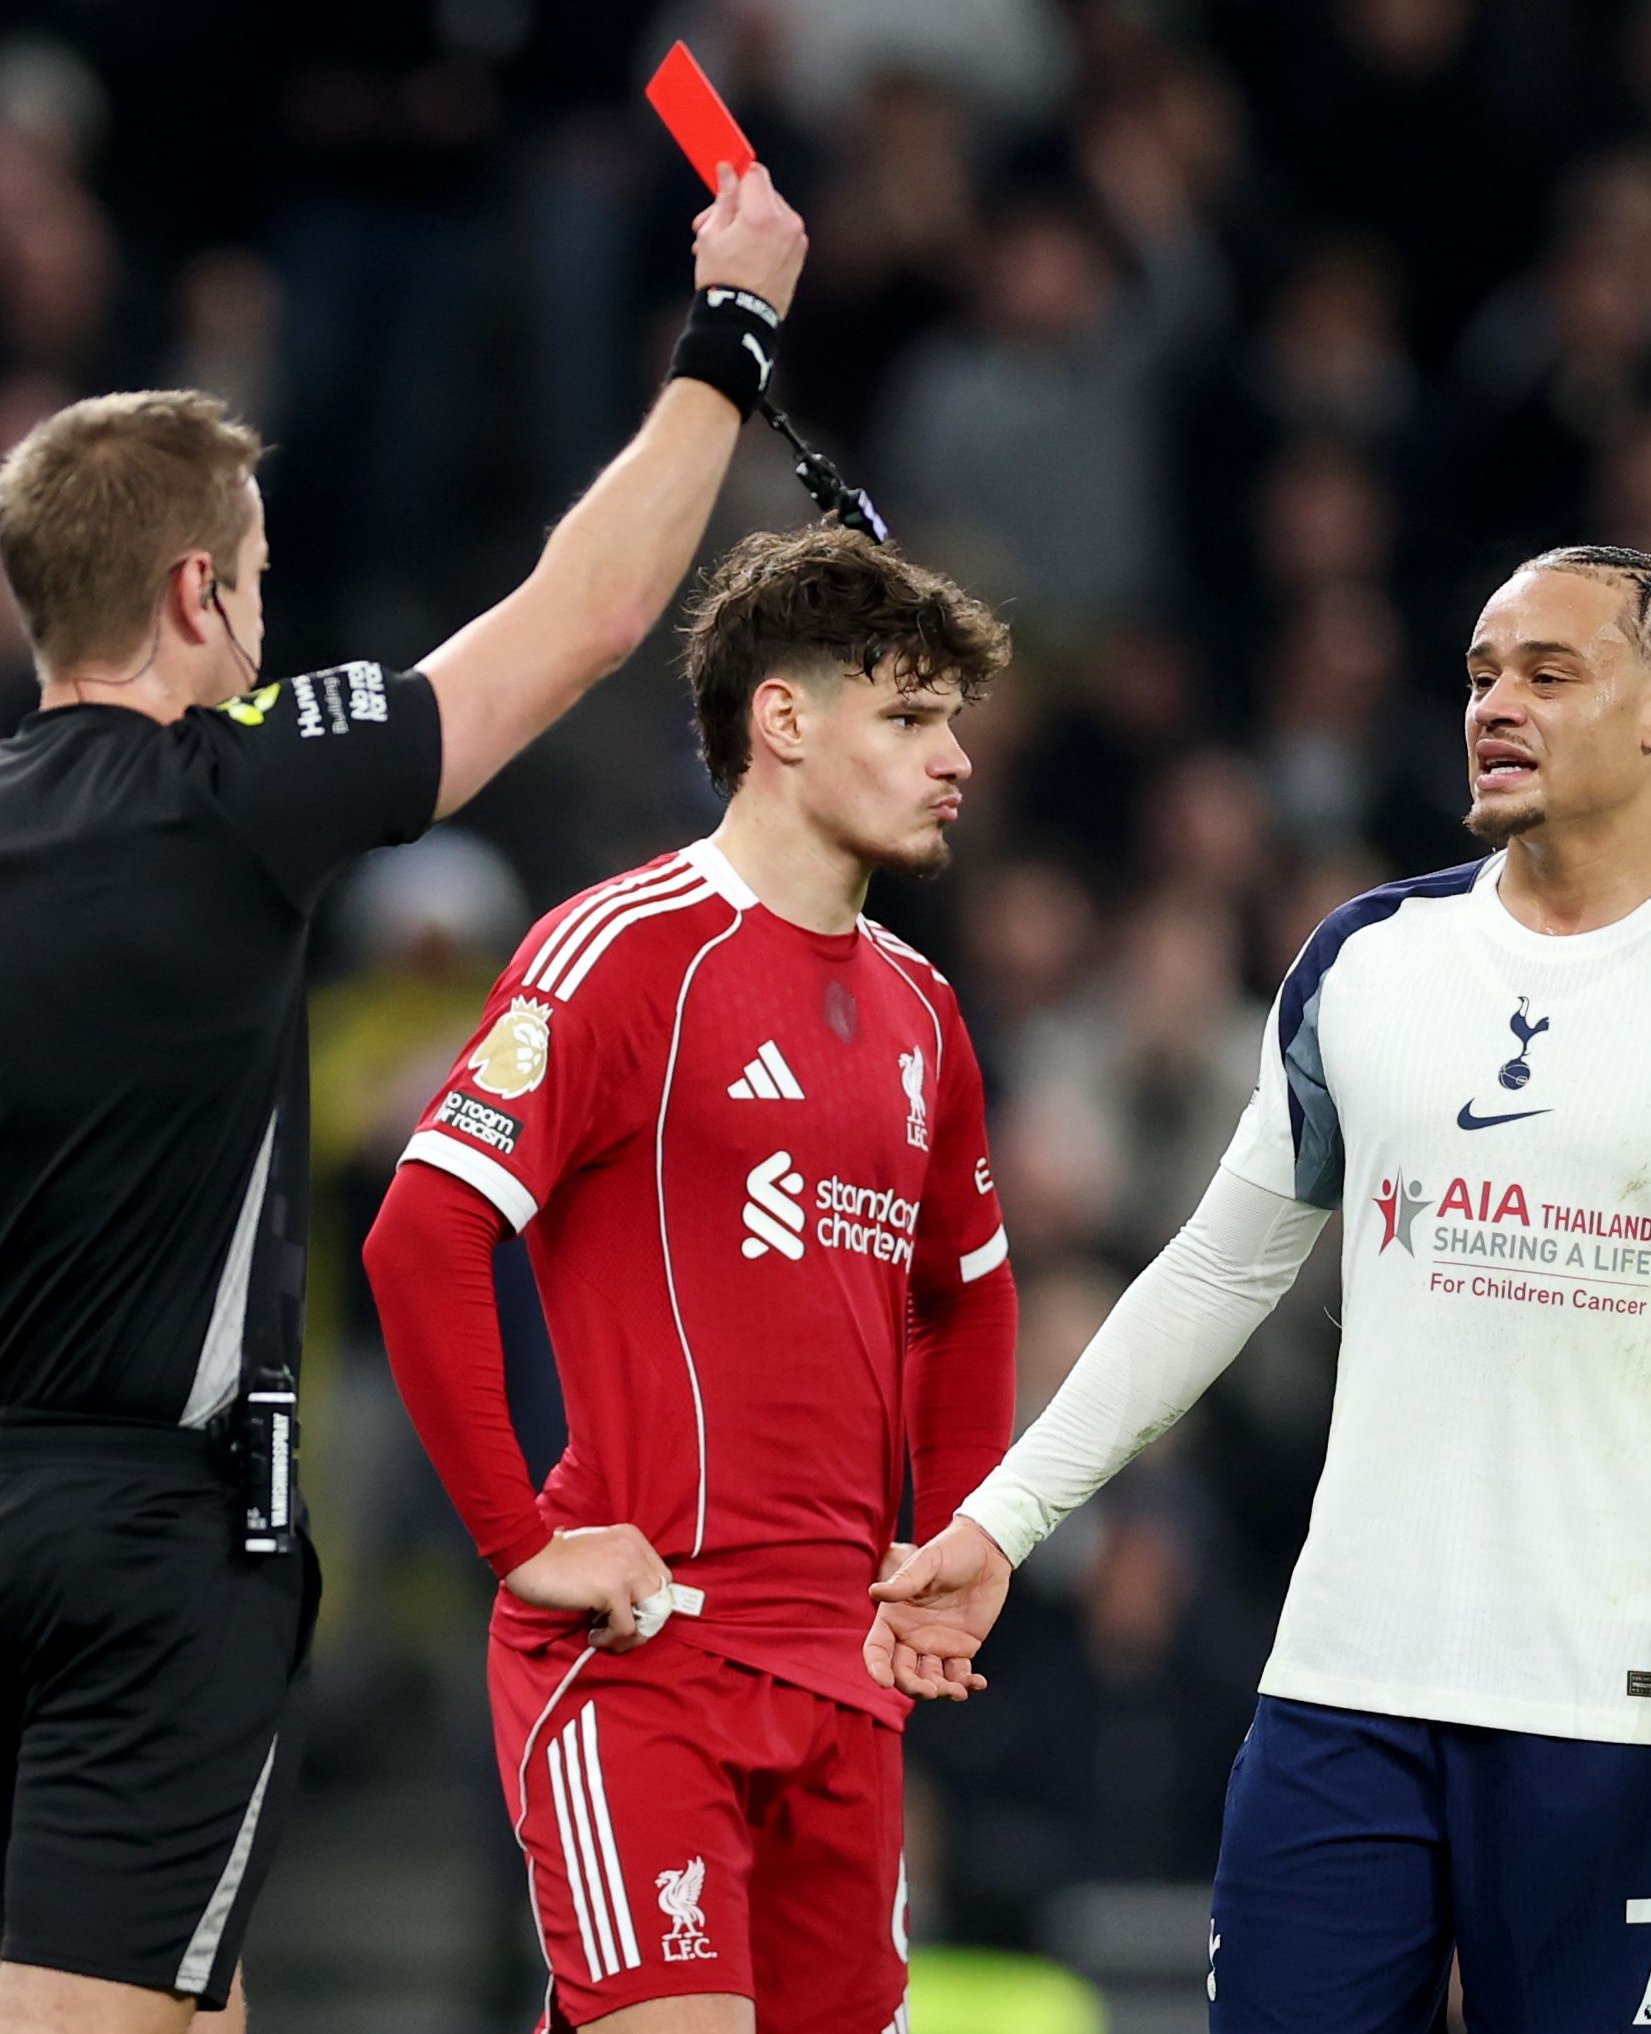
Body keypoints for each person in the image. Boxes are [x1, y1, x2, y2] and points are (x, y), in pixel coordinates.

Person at [0, 168, 811, 2034]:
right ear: (196, 588)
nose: (264, 619)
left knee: (192, 2007)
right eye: (255, 580)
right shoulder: (236, 783)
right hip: (158, 1548)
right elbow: (581, 614)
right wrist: (728, 340)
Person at [873, 545, 1651, 2031]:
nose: (1494, 702)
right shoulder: (1362, 960)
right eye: (1479, 673)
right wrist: (1002, 1516)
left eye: (1547, 672)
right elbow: (1209, 1272)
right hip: (1340, 1694)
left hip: (1604, 1714)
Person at [360, 525, 1021, 2034]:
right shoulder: (623, 951)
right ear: (780, 722)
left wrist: (957, 1536)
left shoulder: (924, 1011)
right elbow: (421, 1232)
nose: (953, 758)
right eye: (910, 717)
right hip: (647, 1656)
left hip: (846, 1676)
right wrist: (519, 1538)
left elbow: (967, 1291)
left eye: (952, 723)